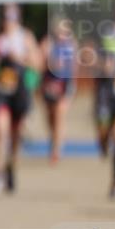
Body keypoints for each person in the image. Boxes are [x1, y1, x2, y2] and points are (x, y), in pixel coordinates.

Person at [0, 3, 43, 194]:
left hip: (20, 92)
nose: (7, 21)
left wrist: (18, 57)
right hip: (2, 92)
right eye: (5, 17)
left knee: (15, 136)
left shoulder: (25, 37)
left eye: (11, 17)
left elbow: (38, 64)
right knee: (0, 132)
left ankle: (11, 166)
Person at [40, 17, 77, 164]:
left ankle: (57, 150)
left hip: (64, 85)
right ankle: (54, 140)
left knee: (59, 115)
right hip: (49, 85)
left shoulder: (71, 45)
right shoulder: (48, 43)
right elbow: (41, 64)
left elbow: (71, 68)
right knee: (50, 118)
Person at [94, 22, 115, 199]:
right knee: (103, 130)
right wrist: (103, 65)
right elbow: (97, 58)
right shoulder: (107, 31)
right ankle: (103, 144)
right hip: (106, 88)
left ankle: (114, 183)